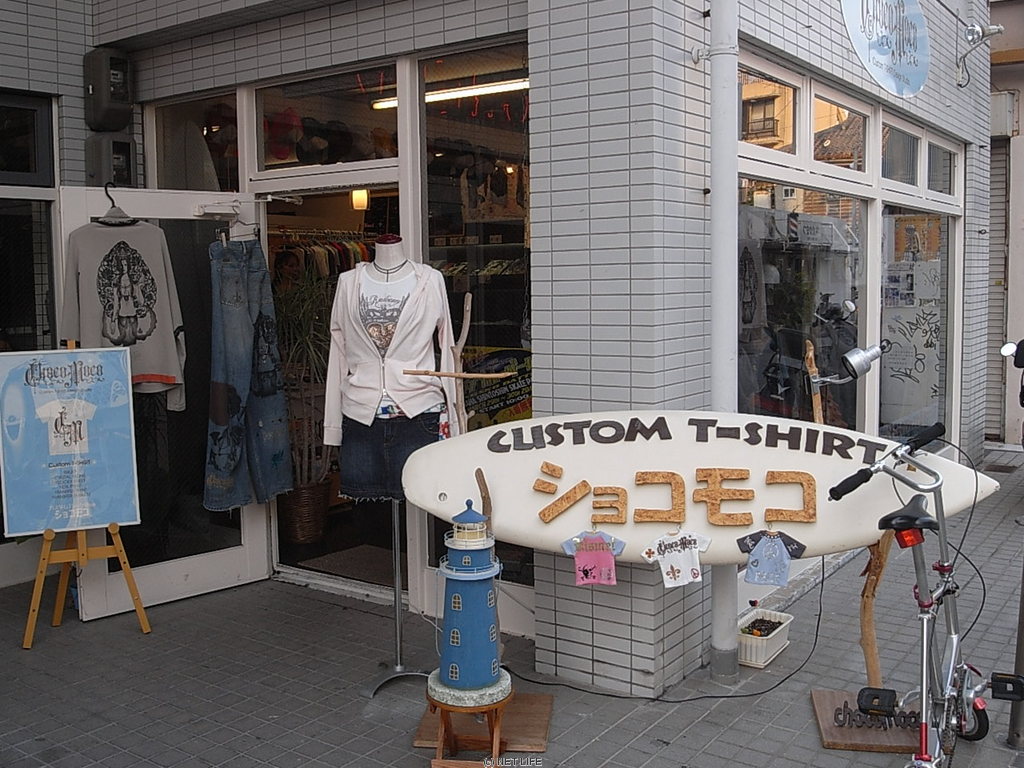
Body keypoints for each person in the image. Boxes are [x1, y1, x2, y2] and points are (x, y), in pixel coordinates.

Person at [323, 234, 458, 500]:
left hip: (419, 410)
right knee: (367, 508)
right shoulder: (348, 283)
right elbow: (337, 352)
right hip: (360, 414)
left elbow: (448, 345)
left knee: (423, 499)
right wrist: (332, 426)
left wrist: (454, 420)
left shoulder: (431, 280)